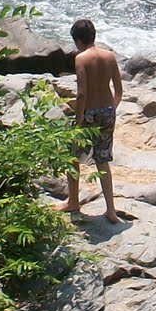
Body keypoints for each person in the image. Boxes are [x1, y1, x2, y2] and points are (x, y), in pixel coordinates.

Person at [60, 17, 124, 223]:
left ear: (78, 40)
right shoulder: (110, 56)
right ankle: (111, 210)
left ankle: (73, 201)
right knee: (102, 160)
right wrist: (111, 108)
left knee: (72, 156)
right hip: (108, 111)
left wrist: (79, 120)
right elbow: (119, 90)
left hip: (89, 113)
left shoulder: (81, 59)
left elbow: (81, 94)